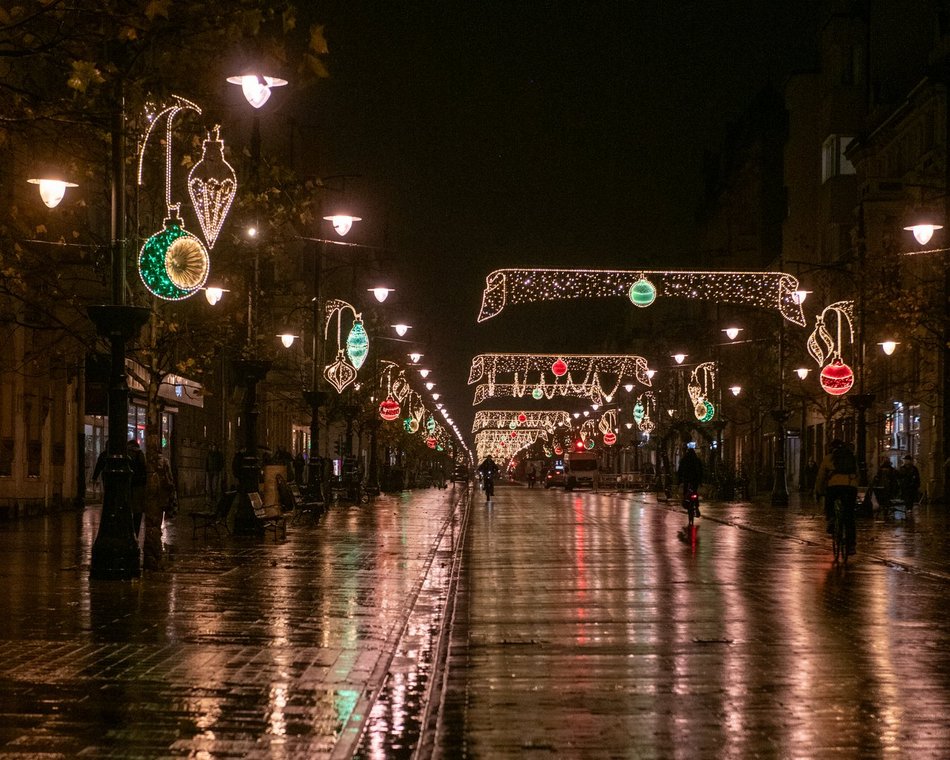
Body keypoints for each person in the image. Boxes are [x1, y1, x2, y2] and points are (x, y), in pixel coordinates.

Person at [815, 439, 858, 555]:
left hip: (834, 486)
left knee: (830, 503)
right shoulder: (851, 456)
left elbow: (821, 476)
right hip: (850, 486)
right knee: (849, 516)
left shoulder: (829, 458)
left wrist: (818, 491)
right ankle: (851, 545)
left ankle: (832, 518)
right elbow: (857, 473)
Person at [127, 439, 148, 539]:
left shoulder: (125, 453)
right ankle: (135, 532)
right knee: (137, 510)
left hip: (127, 484)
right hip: (138, 484)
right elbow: (144, 468)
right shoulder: (139, 453)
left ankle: (128, 531)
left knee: (127, 508)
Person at [677, 446, 704, 516]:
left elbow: (680, 471)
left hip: (686, 479)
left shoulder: (684, 460)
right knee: (695, 493)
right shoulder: (697, 460)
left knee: (686, 493)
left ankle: (686, 502)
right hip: (695, 480)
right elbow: (701, 471)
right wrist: (700, 481)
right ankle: (697, 508)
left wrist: (679, 481)